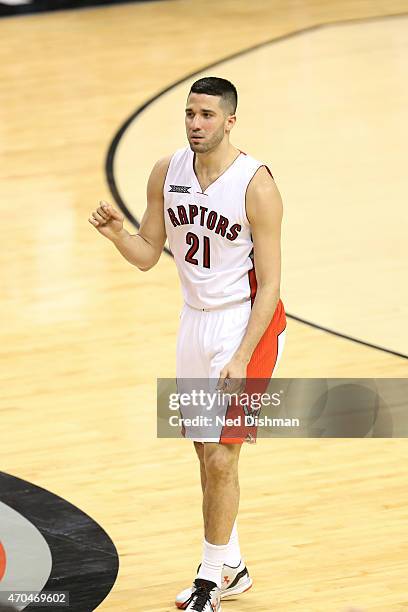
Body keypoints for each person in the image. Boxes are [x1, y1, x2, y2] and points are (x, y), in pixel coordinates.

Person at [88, 76, 286, 612]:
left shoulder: (256, 184)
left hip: (246, 326)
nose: (196, 124)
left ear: (230, 121)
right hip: (193, 323)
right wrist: (116, 236)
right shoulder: (166, 171)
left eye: (207, 115)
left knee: (222, 456)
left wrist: (243, 356)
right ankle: (233, 566)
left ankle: (208, 579)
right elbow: (149, 252)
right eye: (190, 114)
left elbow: (270, 283)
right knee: (205, 454)